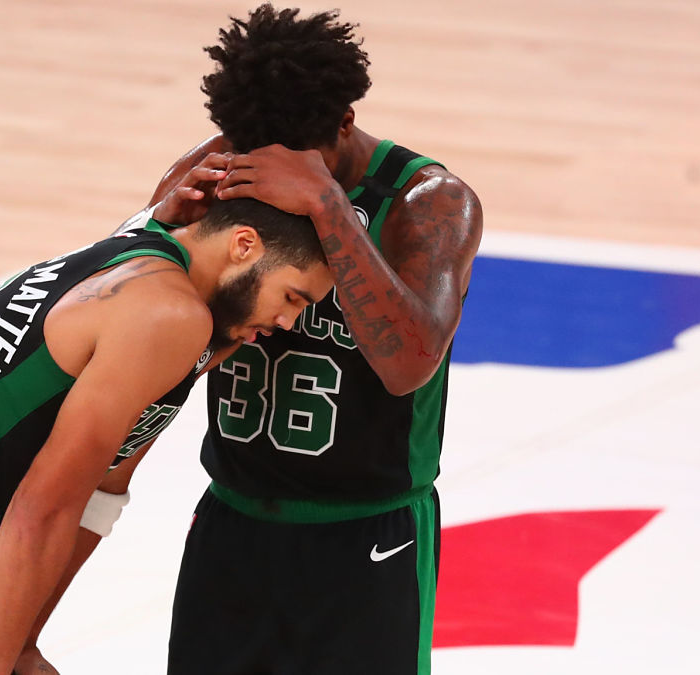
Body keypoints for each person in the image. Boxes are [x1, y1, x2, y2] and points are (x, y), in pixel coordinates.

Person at [0, 154, 335, 675]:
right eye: (292, 297)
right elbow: (43, 508)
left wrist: (21, 646)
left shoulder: (157, 265)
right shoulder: (166, 313)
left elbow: (104, 490)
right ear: (244, 245)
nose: (288, 323)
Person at [146, 6, 483, 674]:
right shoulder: (217, 171)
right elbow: (126, 309)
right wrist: (154, 226)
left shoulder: (428, 201)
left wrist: (326, 205)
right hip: (232, 523)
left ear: (345, 124)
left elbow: (409, 363)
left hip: (366, 537)